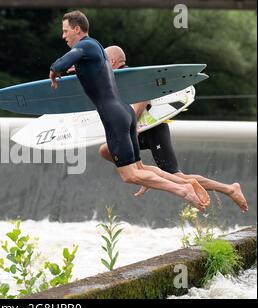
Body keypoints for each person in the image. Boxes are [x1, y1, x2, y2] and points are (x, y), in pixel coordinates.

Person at [49, 10, 210, 212]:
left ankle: (184, 190)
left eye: (65, 31)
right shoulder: (97, 48)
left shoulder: (85, 45)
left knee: (130, 175)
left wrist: (55, 69)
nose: (63, 36)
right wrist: (78, 69)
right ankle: (183, 183)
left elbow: (63, 62)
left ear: (77, 29)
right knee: (140, 169)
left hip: (113, 117)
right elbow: (93, 69)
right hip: (125, 112)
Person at [98, 46, 248, 213]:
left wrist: (129, 132)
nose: (101, 65)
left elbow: (140, 104)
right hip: (138, 131)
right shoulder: (117, 80)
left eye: (103, 61)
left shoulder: (132, 76)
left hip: (153, 130)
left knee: (178, 177)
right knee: (105, 150)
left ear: (112, 61)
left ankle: (229, 189)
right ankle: (147, 177)